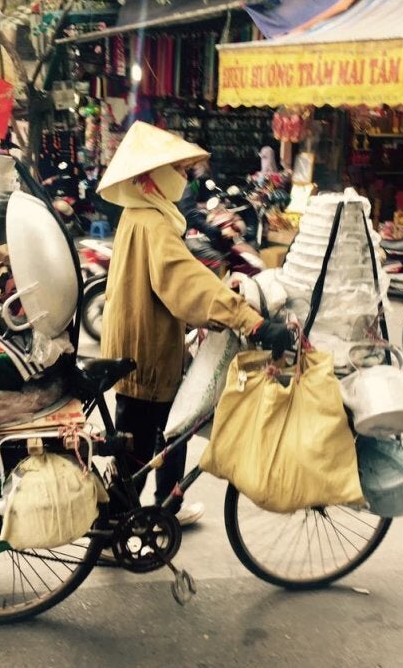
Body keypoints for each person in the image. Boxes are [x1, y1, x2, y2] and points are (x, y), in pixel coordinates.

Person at [97, 121, 293, 527]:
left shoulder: (143, 214)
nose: (185, 180)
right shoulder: (152, 224)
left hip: (138, 345)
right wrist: (252, 322)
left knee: (157, 435)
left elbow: (179, 284)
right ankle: (116, 526)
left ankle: (157, 510)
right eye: (180, 172)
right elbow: (185, 284)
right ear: (152, 179)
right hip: (144, 353)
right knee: (152, 440)